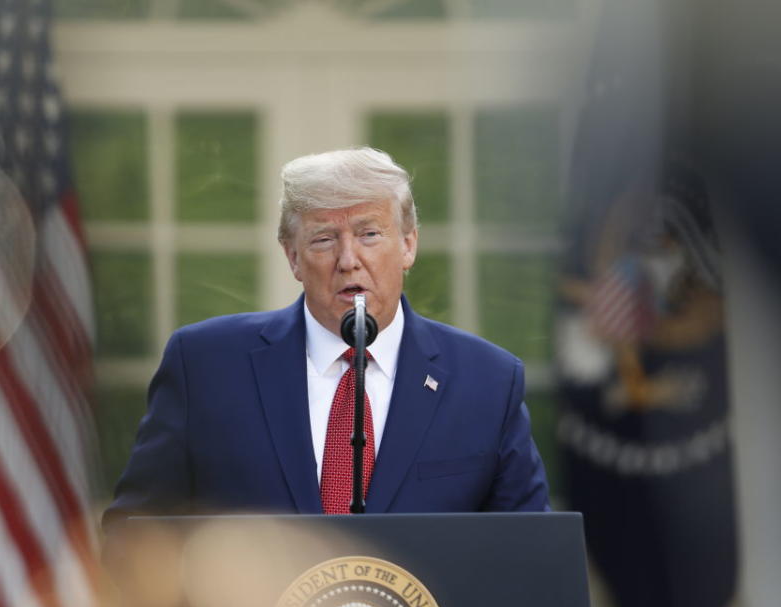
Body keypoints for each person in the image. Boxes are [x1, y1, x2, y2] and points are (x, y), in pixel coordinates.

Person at [106, 147, 549, 521]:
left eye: (369, 234)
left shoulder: (487, 380)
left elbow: (527, 555)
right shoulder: (204, 365)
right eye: (322, 240)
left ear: (409, 244)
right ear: (293, 257)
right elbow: (137, 537)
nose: (348, 260)